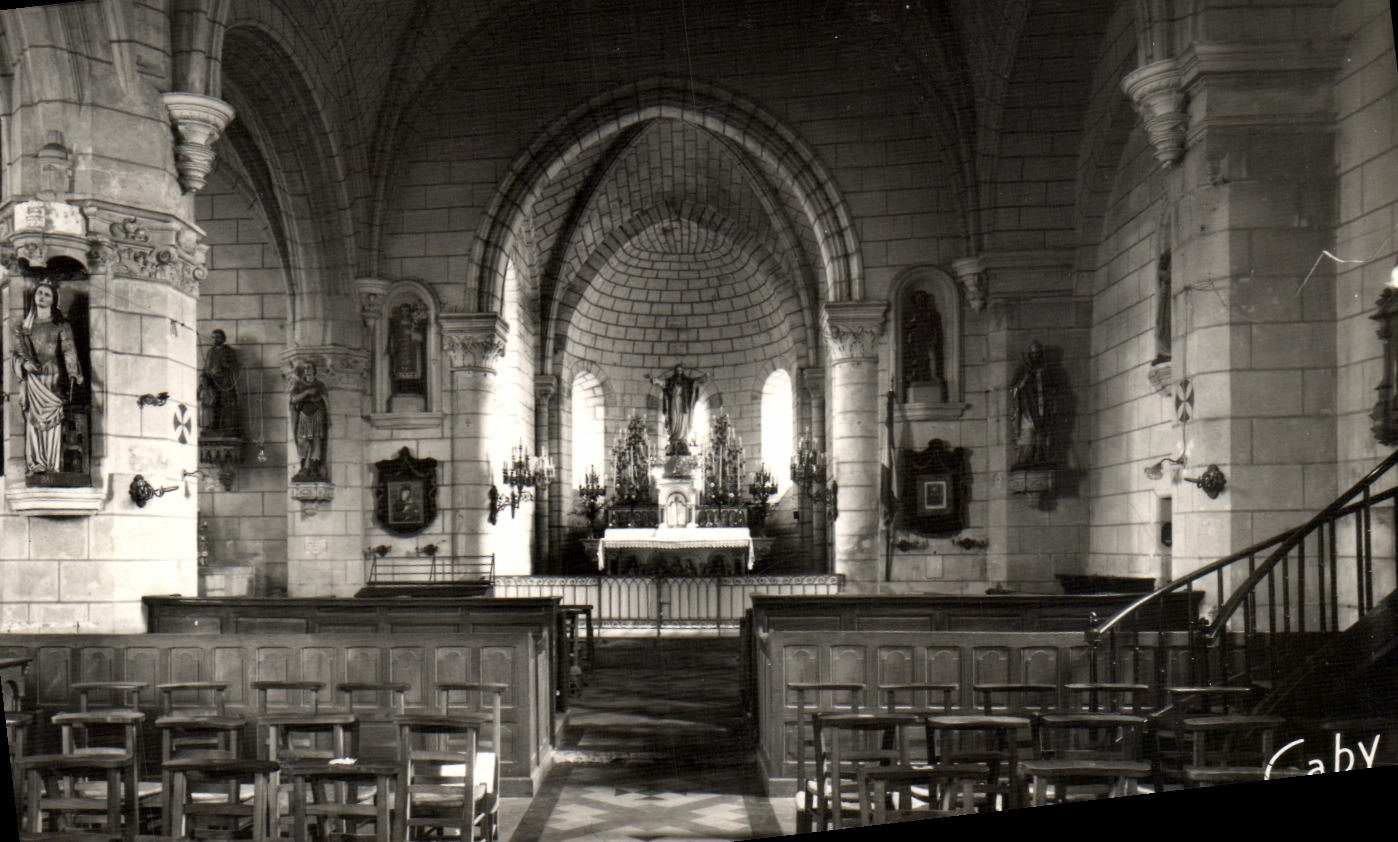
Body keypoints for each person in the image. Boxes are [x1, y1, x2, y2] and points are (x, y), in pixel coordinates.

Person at [11, 280, 84, 477]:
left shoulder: (61, 325)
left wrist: (72, 373)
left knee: (52, 419)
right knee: (33, 420)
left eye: (47, 294)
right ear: (34, 297)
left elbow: (69, 350)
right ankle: (36, 464)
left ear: (54, 300)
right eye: (39, 293)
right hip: (33, 378)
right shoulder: (24, 326)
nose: (42, 297)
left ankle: (52, 465)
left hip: (52, 376)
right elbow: (16, 354)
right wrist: (24, 364)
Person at [1009, 340, 1054, 469]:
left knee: (1042, 436)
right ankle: (1026, 459)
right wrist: (1022, 382)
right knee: (1027, 437)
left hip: (1043, 409)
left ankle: (1041, 457)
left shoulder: (1046, 370)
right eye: (1033, 354)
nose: (1036, 356)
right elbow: (1013, 389)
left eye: (1038, 353)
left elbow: (1053, 388)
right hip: (1028, 408)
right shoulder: (1023, 370)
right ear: (1029, 355)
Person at [649, 363, 708, 455]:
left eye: (680, 370)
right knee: (673, 420)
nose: (679, 372)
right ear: (675, 371)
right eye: (677, 370)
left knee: (683, 421)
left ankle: (682, 440)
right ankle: (674, 439)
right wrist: (655, 380)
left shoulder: (687, 381)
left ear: (682, 371)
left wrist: (703, 378)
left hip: (684, 405)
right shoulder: (670, 381)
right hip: (673, 404)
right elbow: (662, 383)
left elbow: (695, 382)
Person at [902, 289, 946, 401]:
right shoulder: (913, 314)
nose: (920, 301)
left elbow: (936, 329)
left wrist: (934, 339)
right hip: (916, 341)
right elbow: (907, 328)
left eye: (922, 299)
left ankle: (934, 377)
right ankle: (918, 378)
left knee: (931, 358)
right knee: (918, 361)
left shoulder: (932, 314)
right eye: (918, 299)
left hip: (929, 340)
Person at [289, 361, 329, 482]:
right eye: (305, 368)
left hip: (317, 414)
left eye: (309, 368)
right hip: (304, 414)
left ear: (314, 370)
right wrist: (306, 392)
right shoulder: (299, 384)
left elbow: (326, 400)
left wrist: (328, 416)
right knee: (303, 441)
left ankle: (314, 466)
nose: (307, 370)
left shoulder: (320, 385)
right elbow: (293, 399)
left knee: (316, 440)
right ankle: (304, 467)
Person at [198, 329, 241, 438]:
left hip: (225, 383)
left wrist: (224, 368)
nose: (215, 339)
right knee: (213, 404)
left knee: (226, 404)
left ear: (223, 338)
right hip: (212, 382)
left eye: (217, 337)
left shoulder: (229, 351)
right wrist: (203, 377)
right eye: (213, 337)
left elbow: (235, 367)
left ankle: (226, 427)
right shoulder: (210, 352)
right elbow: (206, 367)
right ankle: (213, 425)